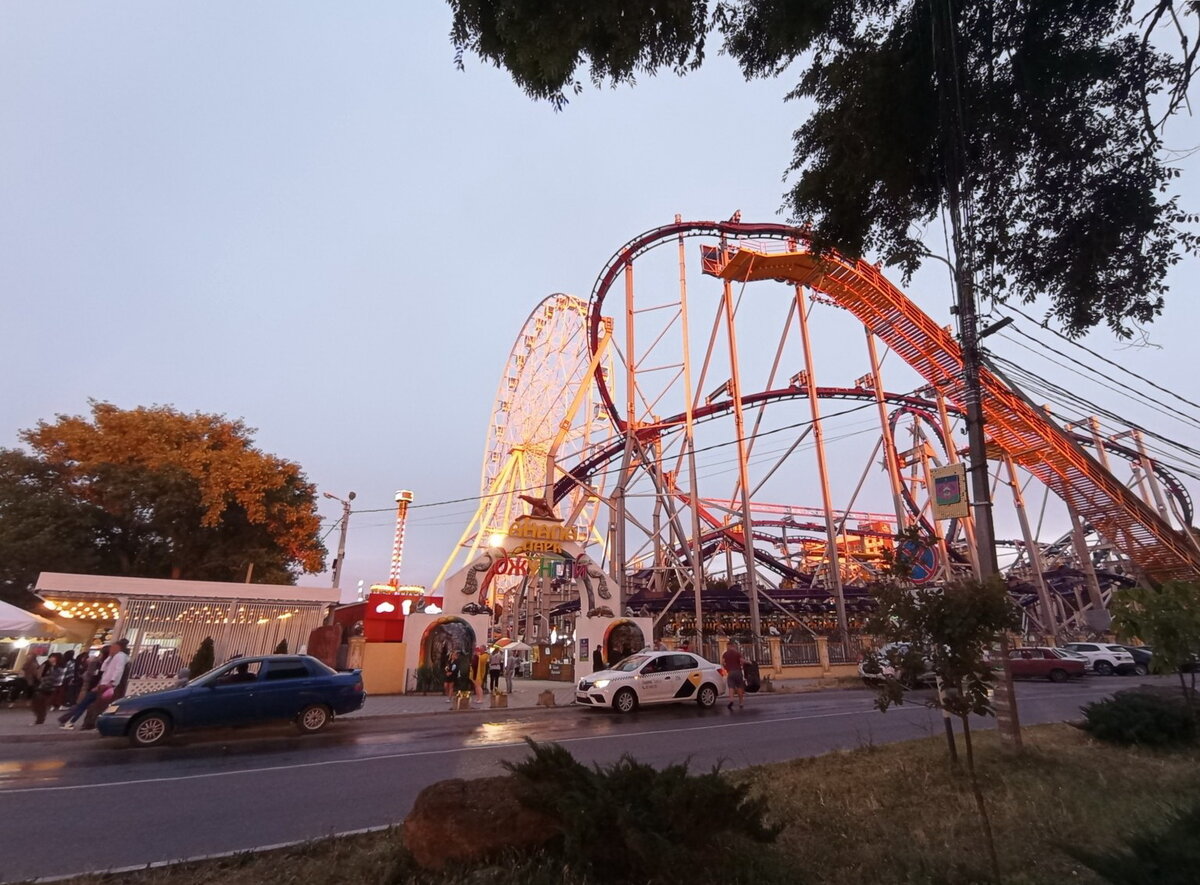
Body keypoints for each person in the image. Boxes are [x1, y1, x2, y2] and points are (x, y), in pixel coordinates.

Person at [82, 640, 129, 730]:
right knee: (99, 704)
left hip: (109, 685)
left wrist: (112, 682)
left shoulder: (121, 657)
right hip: (105, 683)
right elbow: (104, 669)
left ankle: (95, 723)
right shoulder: (114, 657)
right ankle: (91, 723)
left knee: (102, 704)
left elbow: (118, 670)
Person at [59, 647, 108, 729]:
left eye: (101, 654)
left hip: (93, 688)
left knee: (81, 705)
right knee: (84, 706)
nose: (99, 656)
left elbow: (90, 676)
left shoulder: (99, 664)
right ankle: (71, 721)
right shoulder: (101, 664)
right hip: (95, 688)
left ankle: (70, 721)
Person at [30, 653, 64, 725]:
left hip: (49, 688)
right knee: (37, 703)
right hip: (42, 686)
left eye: (53, 657)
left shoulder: (58, 668)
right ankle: (40, 718)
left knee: (40, 703)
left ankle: (40, 719)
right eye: (50, 657)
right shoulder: (48, 665)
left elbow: (55, 679)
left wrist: (43, 679)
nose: (51, 659)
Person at [722, 640, 746, 710]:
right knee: (739, 687)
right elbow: (742, 661)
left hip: (730, 672)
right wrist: (747, 663)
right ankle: (741, 703)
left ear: (728, 646)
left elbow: (723, 663)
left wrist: (726, 668)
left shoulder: (725, 654)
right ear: (733, 646)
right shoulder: (737, 653)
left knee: (731, 687)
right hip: (738, 672)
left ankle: (731, 700)